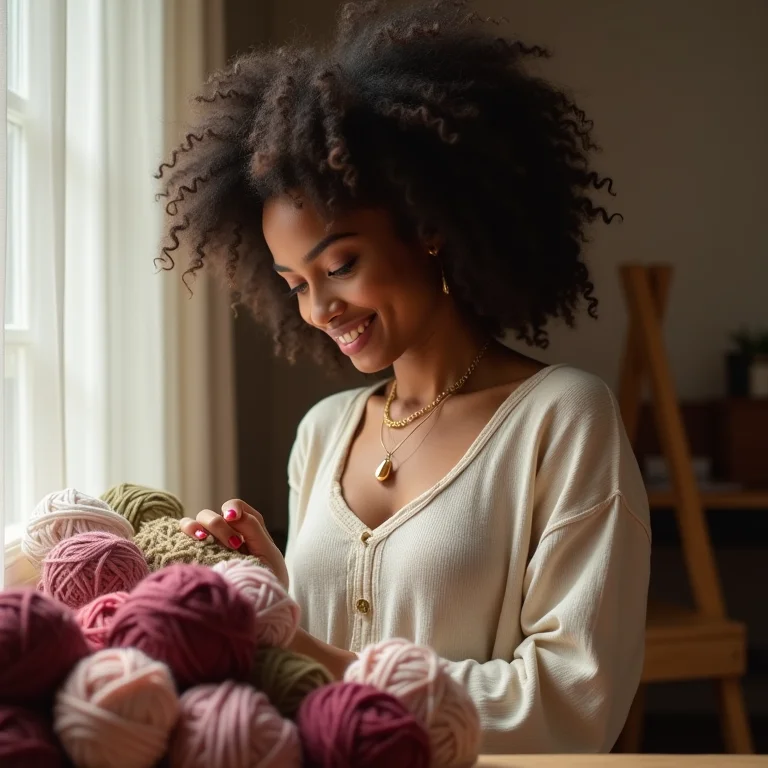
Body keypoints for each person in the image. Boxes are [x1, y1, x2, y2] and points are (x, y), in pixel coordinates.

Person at [161, 0, 651, 753]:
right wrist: (268, 597)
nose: (319, 308)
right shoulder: (324, 433)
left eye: (340, 264)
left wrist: (315, 652)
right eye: (294, 282)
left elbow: (570, 704)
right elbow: (309, 680)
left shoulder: (563, 419)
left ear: (429, 227)